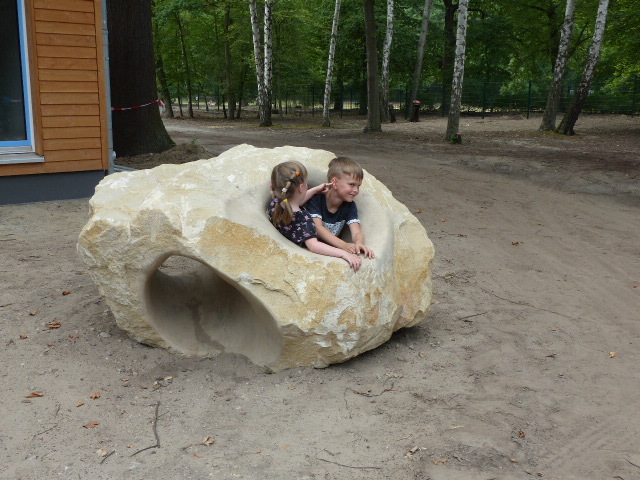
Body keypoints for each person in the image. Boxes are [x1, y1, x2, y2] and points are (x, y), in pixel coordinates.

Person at [268, 161, 363, 271]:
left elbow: (294, 201)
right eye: (306, 185)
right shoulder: (303, 218)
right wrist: (343, 253)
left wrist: (314, 190)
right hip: (302, 263)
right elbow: (314, 246)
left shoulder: (275, 204)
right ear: (301, 187)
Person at [305, 157, 375, 259]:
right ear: (335, 182)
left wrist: (359, 242)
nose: (356, 190)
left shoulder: (350, 206)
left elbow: (356, 232)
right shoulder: (316, 200)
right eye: (351, 184)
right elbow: (318, 228)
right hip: (312, 247)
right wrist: (344, 245)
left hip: (332, 251)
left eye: (358, 186)